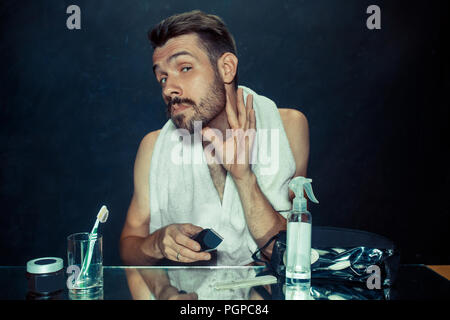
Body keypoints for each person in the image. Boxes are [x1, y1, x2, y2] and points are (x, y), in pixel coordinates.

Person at [119, 10, 309, 298]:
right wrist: (157, 244)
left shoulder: (289, 127)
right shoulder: (153, 146)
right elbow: (129, 246)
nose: (169, 88)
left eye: (184, 68)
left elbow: (292, 255)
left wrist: (243, 177)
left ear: (227, 68)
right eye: (162, 78)